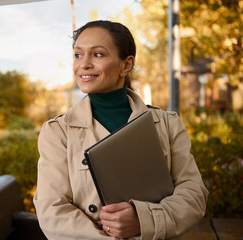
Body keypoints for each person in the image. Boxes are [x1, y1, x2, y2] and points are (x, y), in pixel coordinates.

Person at [33, 20, 208, 240]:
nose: (83, 64)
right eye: (78, 55)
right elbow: (53, 211)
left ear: (126, 65)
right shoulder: (58, 132)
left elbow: (193, 195)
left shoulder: (167, 123)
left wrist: (143, 221)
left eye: (97, 54)